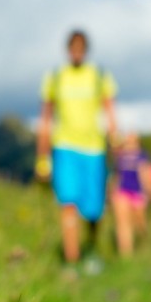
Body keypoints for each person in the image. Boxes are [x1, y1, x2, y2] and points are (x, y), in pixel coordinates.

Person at [36, 30, 118, 271]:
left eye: (81, 47)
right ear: (68, 49)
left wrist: (115, 136)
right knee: (68, 203)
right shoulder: (56, 77)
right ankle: (72, 262)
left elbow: (110, 111)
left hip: (94, 149)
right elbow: (46, 118)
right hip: (64, 147)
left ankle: (91, 249)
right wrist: (42, 155)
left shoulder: (99, 76)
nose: (77, 51)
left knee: (94, 211)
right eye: (73, 46)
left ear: (86, 49)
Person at [110, 132, 151, 256]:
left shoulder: (142, 156)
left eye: (132, 140)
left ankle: (143, 238)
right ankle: (126, 254)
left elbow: (146, 174)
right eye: (127, 140)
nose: (129, 143)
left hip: (138, 193)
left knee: (139, 222)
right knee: (123, 223)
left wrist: (149, 192)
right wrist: (112, 190)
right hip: (122, 191)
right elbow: (117, 175)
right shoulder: (120, 156)